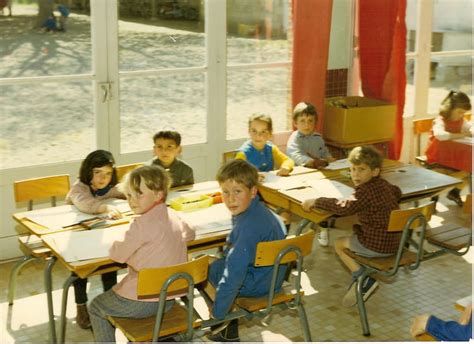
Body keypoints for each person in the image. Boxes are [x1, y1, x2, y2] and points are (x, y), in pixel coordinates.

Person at [88, 165, 195, 342]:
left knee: (96, 306)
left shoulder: (140, 225)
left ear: (159, 194)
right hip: (168, 299)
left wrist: (124, 246)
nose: (132, 200)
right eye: (129, 195)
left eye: (139, 194)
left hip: (140, 301)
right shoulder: (174, 214)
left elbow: (117, 255)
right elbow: (190, 234)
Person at [302, 146, 402, 307]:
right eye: (353, 169)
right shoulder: (384, 185)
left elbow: (345, 208)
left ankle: (362, 277)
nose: (355, 174)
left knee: (339, 243)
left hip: (377, 245)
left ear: (375, 171)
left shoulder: (364, 192)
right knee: (353, 227)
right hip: (395, 243)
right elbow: (398, 192)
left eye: (361, 169)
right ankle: (364, 274)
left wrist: (317, 201)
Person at [205, 159, 287, 342]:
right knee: (212, 260)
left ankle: (223, 324)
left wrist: (217, 314)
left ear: (253, 191)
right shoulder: (262, 211)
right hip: (273, 278)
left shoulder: (248, 228)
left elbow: (233, 277)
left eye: (237, 191)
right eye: (225, 192)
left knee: (202, 268)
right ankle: (226, 314)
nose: (230, 199)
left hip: (256, 284)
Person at [66, 149, 125, 329]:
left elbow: (122, 191)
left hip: (100, 237)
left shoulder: (107, 188)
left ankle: (110, 301)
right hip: (76, 240)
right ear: (87, 171)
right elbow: (84, 202)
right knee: (80, 270)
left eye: (108, 174)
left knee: (110, 263)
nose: (103, 179)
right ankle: (81, 305)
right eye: (97, 172)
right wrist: (103, 207)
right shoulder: (79, 187)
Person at [287, 101, 335, 246]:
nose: (306, 125)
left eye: (310, 121)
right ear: (295, 123)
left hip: (317, 175)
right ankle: (305, 226)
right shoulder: (295, 139)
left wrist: (329, 158)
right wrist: (311, 162)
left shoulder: (317, 138)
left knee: (325, 198)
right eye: (302, 121)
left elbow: (324, 152)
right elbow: (296, 155)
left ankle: (323, 228)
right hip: (299, 178)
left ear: (315, 122)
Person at [425, 90, 472, 207]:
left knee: (470, 171)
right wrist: (462, 135)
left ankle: (454, 192)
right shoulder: (440, 121)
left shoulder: (461, 120)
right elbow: (440, 136)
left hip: (453, 156)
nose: (462, 115)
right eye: (460, 112)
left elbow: (470, 128)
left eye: (463, 113)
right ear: (450, 109)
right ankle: (434, 196)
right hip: (437, 157)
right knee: (441, 176)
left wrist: (470, 131)